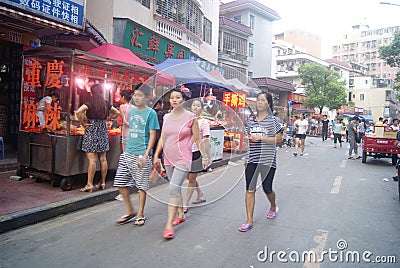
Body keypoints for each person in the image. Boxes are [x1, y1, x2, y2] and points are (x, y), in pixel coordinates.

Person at [153, 87, 208, 239]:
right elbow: (163, 138)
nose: (174, 100)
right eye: (172, 98)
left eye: (177, 97)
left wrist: (204, 157)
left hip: (184, 157)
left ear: (184, 100)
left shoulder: (191, 118)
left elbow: (197, 139)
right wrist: (156, 155)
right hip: (168, 157)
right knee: (175, 188)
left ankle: (169, 225)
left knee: (173, 189)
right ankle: (180, 214)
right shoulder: (166, 117)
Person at [113, 84, 159, 225]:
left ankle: (140, 213)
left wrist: (146, 154)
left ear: (147, 98)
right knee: (120, 182)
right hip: (128, 153)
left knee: (141, 186)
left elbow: (153, 135)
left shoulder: (151, 113)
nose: (136, 98)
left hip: (141, 154)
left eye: (140, 95)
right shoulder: (131, 112)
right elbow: (130, 128)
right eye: (135, 95)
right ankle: (130, 210)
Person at [239, 92, 282, 232]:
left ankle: (273, 206)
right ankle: (249, 221)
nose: (259, 102)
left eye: (263, 100)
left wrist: (261, 138)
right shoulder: (251, 120)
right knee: (249, 189)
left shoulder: (273, 121)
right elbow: (248, 137)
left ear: (268, 103)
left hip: (267, 160)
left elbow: (279, 140)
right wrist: (246, 140)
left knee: (267, 188)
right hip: (252, 159)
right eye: (258, 100)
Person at [75, 84, 120, 192]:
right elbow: (117, 112)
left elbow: (78, 112)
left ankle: (89, 184)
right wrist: (108, 118)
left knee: (92, 160)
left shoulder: (90, 102)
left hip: (91, 129)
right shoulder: (106, 103)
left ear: (92, 92)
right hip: (102, 130)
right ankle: (102, 182)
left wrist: (82, 123)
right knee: (103, 158)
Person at [182, 99, 211, 214]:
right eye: (194, 105)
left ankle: (185, 203)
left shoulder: (204, 122)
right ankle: (199, 193)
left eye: (198, 106)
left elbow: (206, 140)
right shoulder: (186, 120)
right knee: (188, 177)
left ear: (202, 109)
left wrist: (208, 157)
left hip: (196, 152)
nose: (195, 107)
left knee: (192, 178)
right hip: (185, 152)